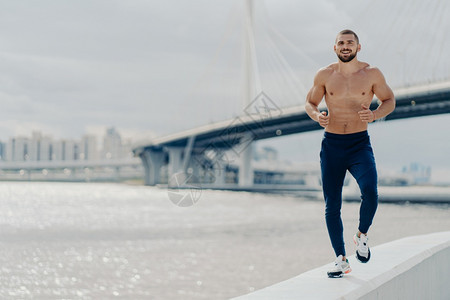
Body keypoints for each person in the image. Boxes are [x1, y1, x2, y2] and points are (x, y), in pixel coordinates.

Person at [305, 29, 395, 278]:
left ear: (358, 47)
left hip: (359, 144)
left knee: (370, 192)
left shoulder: (372, 74)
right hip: (332, 145)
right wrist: (317, 116)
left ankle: (362, 235)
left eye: (350, 43)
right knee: (332, 205)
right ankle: (340, 259)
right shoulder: (324, 75)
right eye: (341, 43)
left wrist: (375, 115)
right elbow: (309, 103)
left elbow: (389, 100)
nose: (346, 46)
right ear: (334, 48)